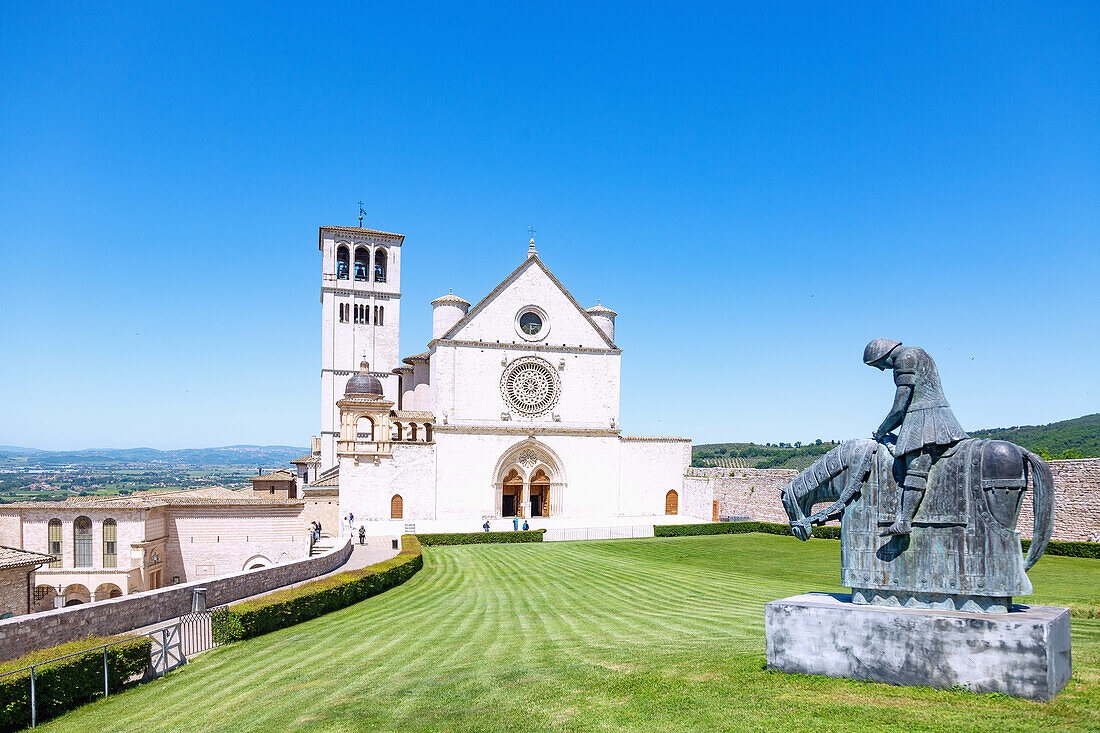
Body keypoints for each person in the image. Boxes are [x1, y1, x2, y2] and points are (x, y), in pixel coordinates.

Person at [864, 338, 968, 536]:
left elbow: (899, 406)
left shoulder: (905, 358)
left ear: (883, 355)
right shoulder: (916, 352)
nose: (880, 369)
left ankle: (904, 521)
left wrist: (880, 431)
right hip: (928, 414)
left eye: (877, 364)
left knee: (916, 468)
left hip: (925, 417)